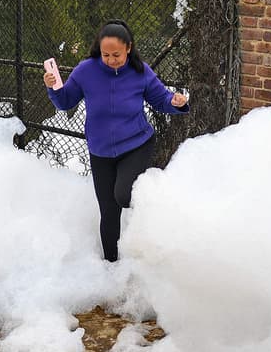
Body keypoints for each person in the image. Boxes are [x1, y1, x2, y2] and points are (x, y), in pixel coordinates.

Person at [45, 19, 189, 262]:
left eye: (117, 55)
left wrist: (176, 103)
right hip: (100, 152)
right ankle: (111, 267)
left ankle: (158, 216)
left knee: (123, 195)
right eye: (106, 55)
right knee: (109, 212)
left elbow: (161, 99)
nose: (111, 59)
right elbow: (66, 101)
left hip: (136, 144)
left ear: (129, 48)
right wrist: (54, 88)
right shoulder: (86, 70)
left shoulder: (140, 72)